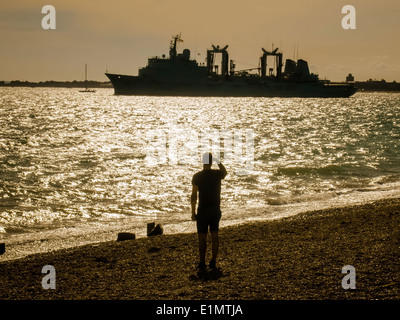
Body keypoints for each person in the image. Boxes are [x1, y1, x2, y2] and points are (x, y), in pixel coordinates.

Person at [191, 152, 227, 270]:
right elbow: (225, 172)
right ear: (212, 162)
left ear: (202, 162)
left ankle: (202, 262)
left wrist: (193, 212)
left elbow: (194, 195)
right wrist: (218, 161)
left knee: (202, 238)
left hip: (203, 209)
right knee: (215, 235)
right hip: (215, 209)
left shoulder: (197, 176)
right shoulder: (217, 174)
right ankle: (213, 261)